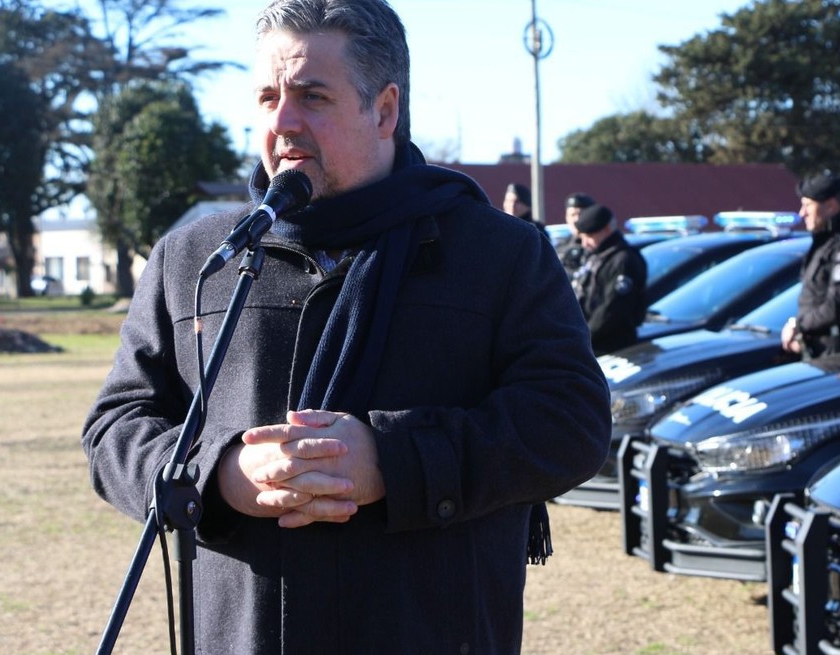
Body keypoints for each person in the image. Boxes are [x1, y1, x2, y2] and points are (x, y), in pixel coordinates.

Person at [80, 1, 610, 653]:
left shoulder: (500, 254)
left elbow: (571, 422)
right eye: (268, 97)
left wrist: (395, 461)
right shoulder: (194, 259)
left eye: (313, 96)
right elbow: (115, 428)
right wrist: (219, 474)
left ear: (384, 110)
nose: (283, 121)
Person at [781, 173, 840, 360]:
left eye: (808, 205)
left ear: (831, 206)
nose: (802, 213)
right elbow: (813, 298)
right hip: (819, 353)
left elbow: (835, 308)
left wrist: (798, 325)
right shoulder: (825, 244)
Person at [573, 203, 647, 355]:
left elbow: (612, 310)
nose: (584, 243)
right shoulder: (597, 256)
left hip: (612, 347)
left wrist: (582, 339)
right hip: (592, 344)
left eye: (589, 236)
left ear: (606, 229)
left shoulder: (623, 261)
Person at [557, 191, 595, 276]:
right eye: (572, 215)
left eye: (580, 214)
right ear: (566, 217)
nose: (576, 220)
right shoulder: (561, 247)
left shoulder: (599, 246)